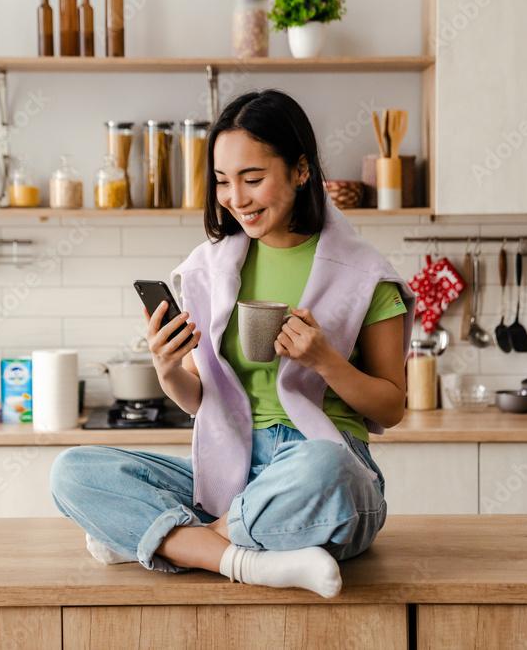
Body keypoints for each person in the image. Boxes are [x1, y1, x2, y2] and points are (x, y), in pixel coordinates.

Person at [50, 90, 415, 598]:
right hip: (227, 471)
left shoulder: (365, 275)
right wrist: (166, 366)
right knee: (74, 471)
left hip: (319, 476)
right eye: (222, 181)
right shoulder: (212, 268)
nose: (236, 199)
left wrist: (325, 362)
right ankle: (247, 558)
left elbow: (392, 407)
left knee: (327, 464)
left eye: (253, 178)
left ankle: (168, 541)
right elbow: (198, 396)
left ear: (301, 170)